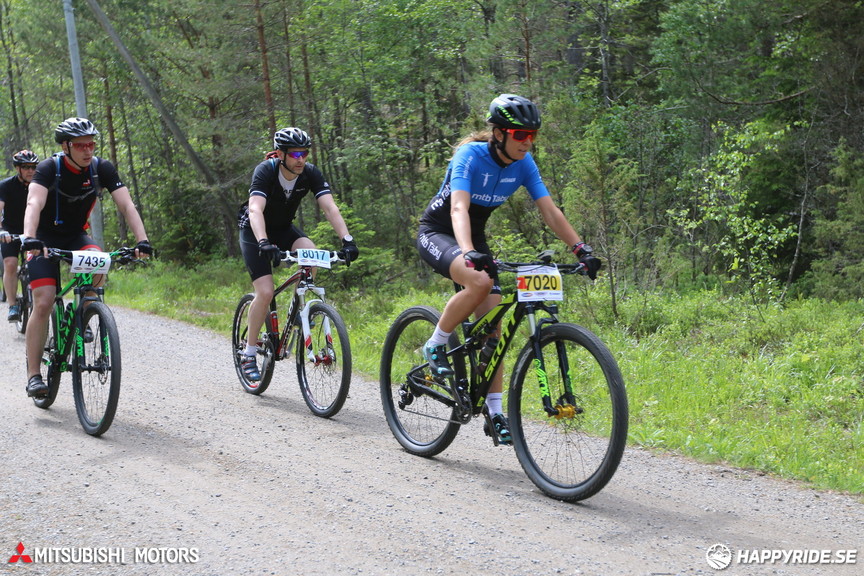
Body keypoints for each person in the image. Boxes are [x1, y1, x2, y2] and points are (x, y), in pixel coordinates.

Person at [416, 94, 601, 445]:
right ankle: (436, 343)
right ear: (499, 133)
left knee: (494, 330)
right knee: (480, 282)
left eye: (533, 135)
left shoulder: (524, 163)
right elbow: (458, 209)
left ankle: (496, 412)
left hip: (473, 238)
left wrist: (580, 248)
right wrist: (469, 252)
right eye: (520, 135)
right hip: (440, 231)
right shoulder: (470, 156)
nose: (528, 142)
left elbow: (550, 211)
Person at [20, 117, 153, 398]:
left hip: (76, 236)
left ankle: (86, 311)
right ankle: (33, 375)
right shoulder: (48, 168)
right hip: (42, 238)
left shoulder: (100, 168)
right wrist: (30, 238)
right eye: (80, 145)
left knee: (99, 261)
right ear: (66, 146)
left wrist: (142, 240)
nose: (88, 150)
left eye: (91, 144)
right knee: (43, 301)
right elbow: (34, 202)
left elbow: (127, 205)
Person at [237, 127, 359, 383]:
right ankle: (248, 353)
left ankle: (298, 315)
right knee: (265, 292)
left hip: (283, 229)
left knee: (311, 255)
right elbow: (255, 209)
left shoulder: (310, 173)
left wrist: (347, 240)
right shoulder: (266, 171)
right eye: (294, 154)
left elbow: (329, 207)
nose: (301, 159)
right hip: (254, 231)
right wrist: (263, 242)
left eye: (304, 153)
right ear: (281, 154)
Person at [0, 150, 39, 321]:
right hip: (10, 231)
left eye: (33, 167)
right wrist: (1, 231)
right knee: (10, 264)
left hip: (33, 229)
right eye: (26, 167)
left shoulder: (40, 184)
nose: (31, 171)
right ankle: (12, 305)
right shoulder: (6, 186)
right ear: (18, 169)